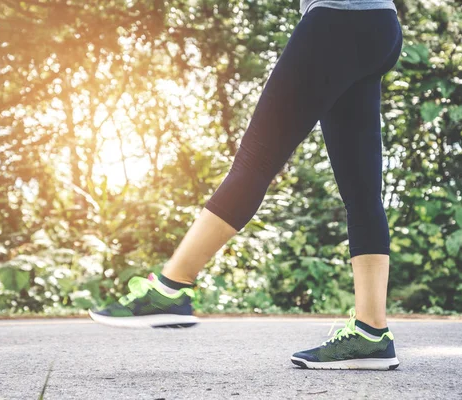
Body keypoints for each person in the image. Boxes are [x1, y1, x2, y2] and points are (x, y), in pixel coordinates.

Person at [89, 0, 402, 371]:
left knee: (254, 162)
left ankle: (171, 286)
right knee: (362, 194)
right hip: (381, 22)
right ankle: (371, 332)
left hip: (337, 19)